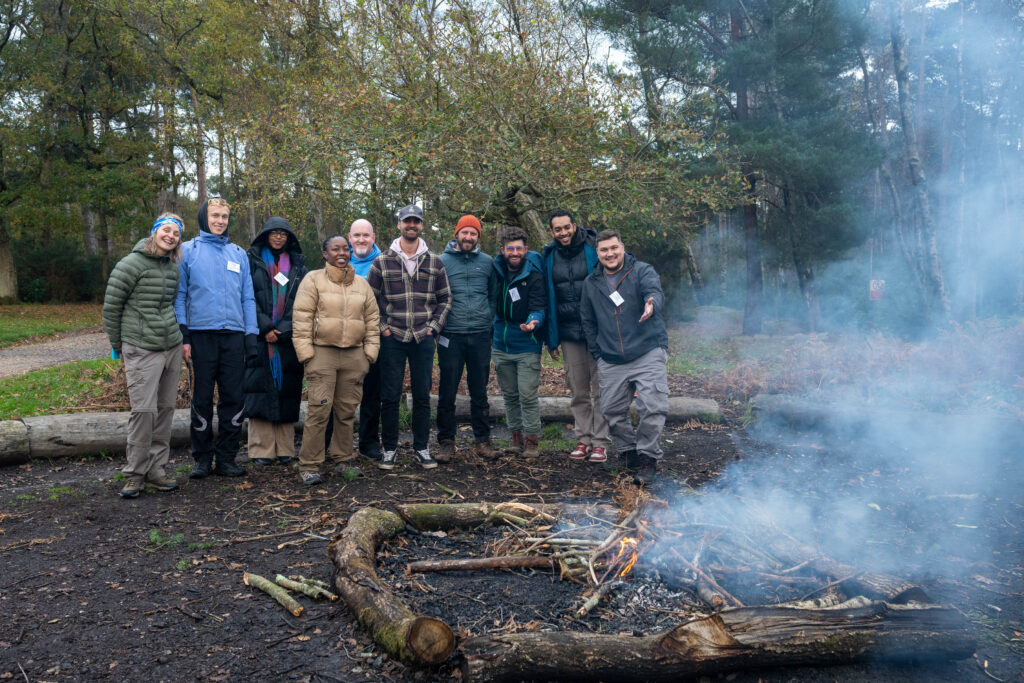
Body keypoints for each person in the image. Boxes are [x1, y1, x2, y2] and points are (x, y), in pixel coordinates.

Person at [174, 198, 258, 479]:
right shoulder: (187, 251)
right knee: (201, 398)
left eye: (224, 216)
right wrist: (183, 334)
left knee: (234, 398)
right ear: (203, 217)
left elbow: (248, 297)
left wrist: (251, 335)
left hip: (234, 336)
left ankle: (226, 458)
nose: (220, 221)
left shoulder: (238, 254)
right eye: (215, 216)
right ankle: (201, 459)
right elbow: (180, 295)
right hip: (200, 336)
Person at [102, 213, 185, 498]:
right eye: (166, 230)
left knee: (165, 411)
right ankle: (135, 473)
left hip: (171, 346)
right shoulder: (130, 264)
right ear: (154, 232)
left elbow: (171, 305)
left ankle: (156, 470)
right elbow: (112, 308)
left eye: (176, 233)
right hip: (141, 347)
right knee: (144, 412)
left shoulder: (172, 268)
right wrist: (119, 346)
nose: (171, 236)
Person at [366, 204, 451, 470]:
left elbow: (445, 298)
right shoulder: (382, 260)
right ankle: (389, 449)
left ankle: (421, 448)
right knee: (389, 395)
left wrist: (434, 328)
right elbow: (370, 299)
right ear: (399, 225)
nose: (411, 225)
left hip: (423, 338)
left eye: (416, 221)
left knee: (422, 395)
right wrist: (383, 328)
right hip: (393, 337)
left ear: (421, 225)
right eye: (407, 221)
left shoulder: (435, 261)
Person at [581, 230, 668, 486]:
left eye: (613, 248)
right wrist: (597, 352)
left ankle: (648, 459)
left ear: (622, 247)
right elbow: (587, 320)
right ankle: (629, 452)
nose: (609, 254)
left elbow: (654, 292)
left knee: (652, 407)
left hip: (647, 350)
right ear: (597, 253)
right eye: (603, 250)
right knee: (610, 410)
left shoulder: (641, 271)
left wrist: (651, 303)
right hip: (610, 357)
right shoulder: (591, 282)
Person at [292, 235, 380, 485]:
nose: (341, 253)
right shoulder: (313, 280)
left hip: (354, 356)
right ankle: (309, 463)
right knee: (319, 410)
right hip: (322, 354)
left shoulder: (361, 284)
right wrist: (306, 353)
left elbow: (373, 320)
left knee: (346, 411)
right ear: (325, 253)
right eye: (335, 249)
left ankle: (343, 459)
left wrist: (369, 353)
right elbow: (301, 318)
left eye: (345, 248)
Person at [542, 209, 610, 463]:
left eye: (566, 227)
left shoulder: (594, 246)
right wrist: (552, 338)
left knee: (602, 389)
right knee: (578, 390)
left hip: (599, 331)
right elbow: (548, 297)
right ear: (552, 232)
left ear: (574, 226)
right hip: (569, 333)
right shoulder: (549, 256)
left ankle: (601, 442)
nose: (563, 233)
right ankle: (584, 439)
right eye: (557, 229)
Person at [243, 217, 308, 466]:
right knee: (259, 391)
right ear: (265, 235)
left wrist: (282, 330)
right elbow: (247, 298)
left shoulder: (299, 267)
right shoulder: (252, 262)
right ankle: (261, 450)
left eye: (283, 233)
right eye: (274, 233)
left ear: (289, 237)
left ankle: (285, 448)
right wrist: (266, 328)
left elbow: (302, 303)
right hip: (259, 338)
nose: (279, 237)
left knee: (287, 392)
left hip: (288, 340)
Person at [436, 215, 499, 461]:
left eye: (473, 234)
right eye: (465, 233)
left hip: (481, 334)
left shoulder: (487, 262)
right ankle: (446, 443)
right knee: (447, 390)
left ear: (478, 237)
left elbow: (493, 295)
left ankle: (483, 441)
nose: (468, 237)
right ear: (457, 234)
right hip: (451, 334)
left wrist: (488, 318)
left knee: (479, 391)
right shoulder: (441, 262)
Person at [491, 225, 546, 458]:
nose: (515, 253)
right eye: (510, 249)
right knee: (510, 395)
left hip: (526, 345)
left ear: (526, 249)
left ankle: (532, 440)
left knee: (527, 395)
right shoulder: (495, 271)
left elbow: (539, 306)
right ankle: (515, 438)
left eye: (519, 249)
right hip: (500, 344)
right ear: (503, 250)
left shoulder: (534, 275)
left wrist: (533, 321)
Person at [348, 218, 384, 460]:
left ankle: (369, 443)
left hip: (374, 338)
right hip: (343, 340)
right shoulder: (338, 261)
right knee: (341, 396)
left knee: (372, 395)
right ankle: (335, 444)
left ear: (373, 238)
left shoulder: (384, 263)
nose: (361, 240)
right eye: (356, 235)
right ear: (350, 238)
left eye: (366, 235)